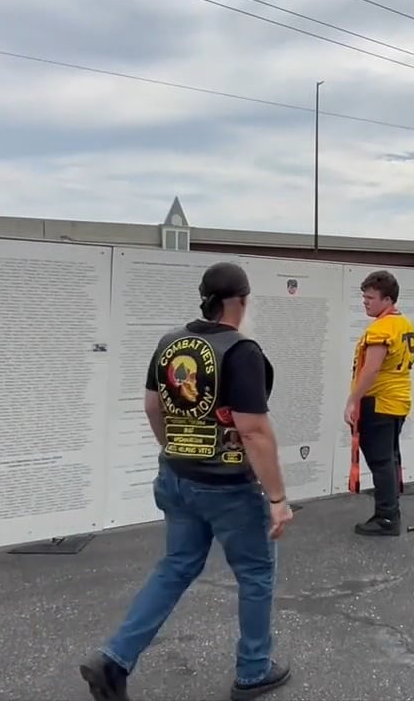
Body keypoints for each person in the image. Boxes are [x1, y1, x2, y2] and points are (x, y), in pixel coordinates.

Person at [80, 261, 294, 701]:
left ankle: (115, 659)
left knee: (175, 567)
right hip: (229, 487)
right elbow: (253, 430)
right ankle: (254, 670)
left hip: (176, 478)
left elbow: (152, 406)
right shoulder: (241, 351)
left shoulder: (170, 343)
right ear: (241, 301)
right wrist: (277, 497)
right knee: (255, 573)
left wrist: (173, 450)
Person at [344, 270, 414, 537]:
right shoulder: (406, 325)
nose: (365, 302)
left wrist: (353, 401)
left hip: (379, 401)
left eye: (370, 297)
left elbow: (371, 369)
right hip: (397, 400)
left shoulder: (382, 328)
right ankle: (390, 512)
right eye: (363, 297)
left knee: (380, 460)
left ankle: (387, 517)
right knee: (388, 457)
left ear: (387, 300)